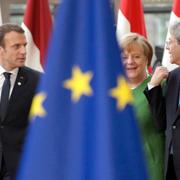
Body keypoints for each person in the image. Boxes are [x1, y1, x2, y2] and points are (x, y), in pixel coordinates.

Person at [120, 33, 165, 180]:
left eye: (136, 56)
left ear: (147, 59)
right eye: (124, 57)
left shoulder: (160, 86)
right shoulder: (111, 91)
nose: (130, 62)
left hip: (151, 169)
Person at [0, 23, 40, 179]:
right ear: (1, 50)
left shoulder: (38, 81)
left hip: (19, 167)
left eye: (24, 45)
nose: (23, 51)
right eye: (16, 46)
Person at [144, 22, 180, 180]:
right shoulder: (173, 77)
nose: (167, 48)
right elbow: (162, 123)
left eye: (169, 42)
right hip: (172, 166)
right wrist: (153, 86)